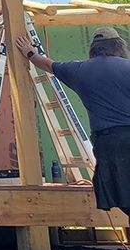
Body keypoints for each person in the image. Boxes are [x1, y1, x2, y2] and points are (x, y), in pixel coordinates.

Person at [16, 27, 130, 217]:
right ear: (119, 46)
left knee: (121, 196)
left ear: (94, 49)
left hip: (109, 144)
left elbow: (45, 64)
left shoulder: (80, 69)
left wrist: (29, 51)